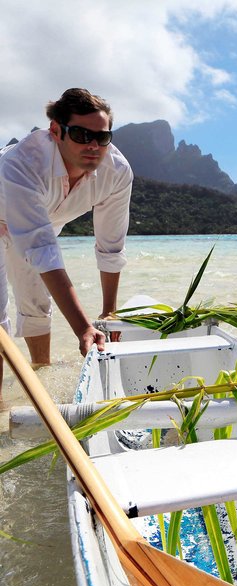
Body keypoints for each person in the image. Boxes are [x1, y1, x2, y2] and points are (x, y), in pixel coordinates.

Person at [0, 88, 132, 394]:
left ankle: (41, 380)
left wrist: (107, 315)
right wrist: (83, 328)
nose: (93, 146)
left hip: (41, 224)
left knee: (37, 305)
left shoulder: (117, 171)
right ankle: (2, 407)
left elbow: (110, 245)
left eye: (102, 137)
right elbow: (42, 249)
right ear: (56, 131)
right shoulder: (23, 163)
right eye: (81, 135)